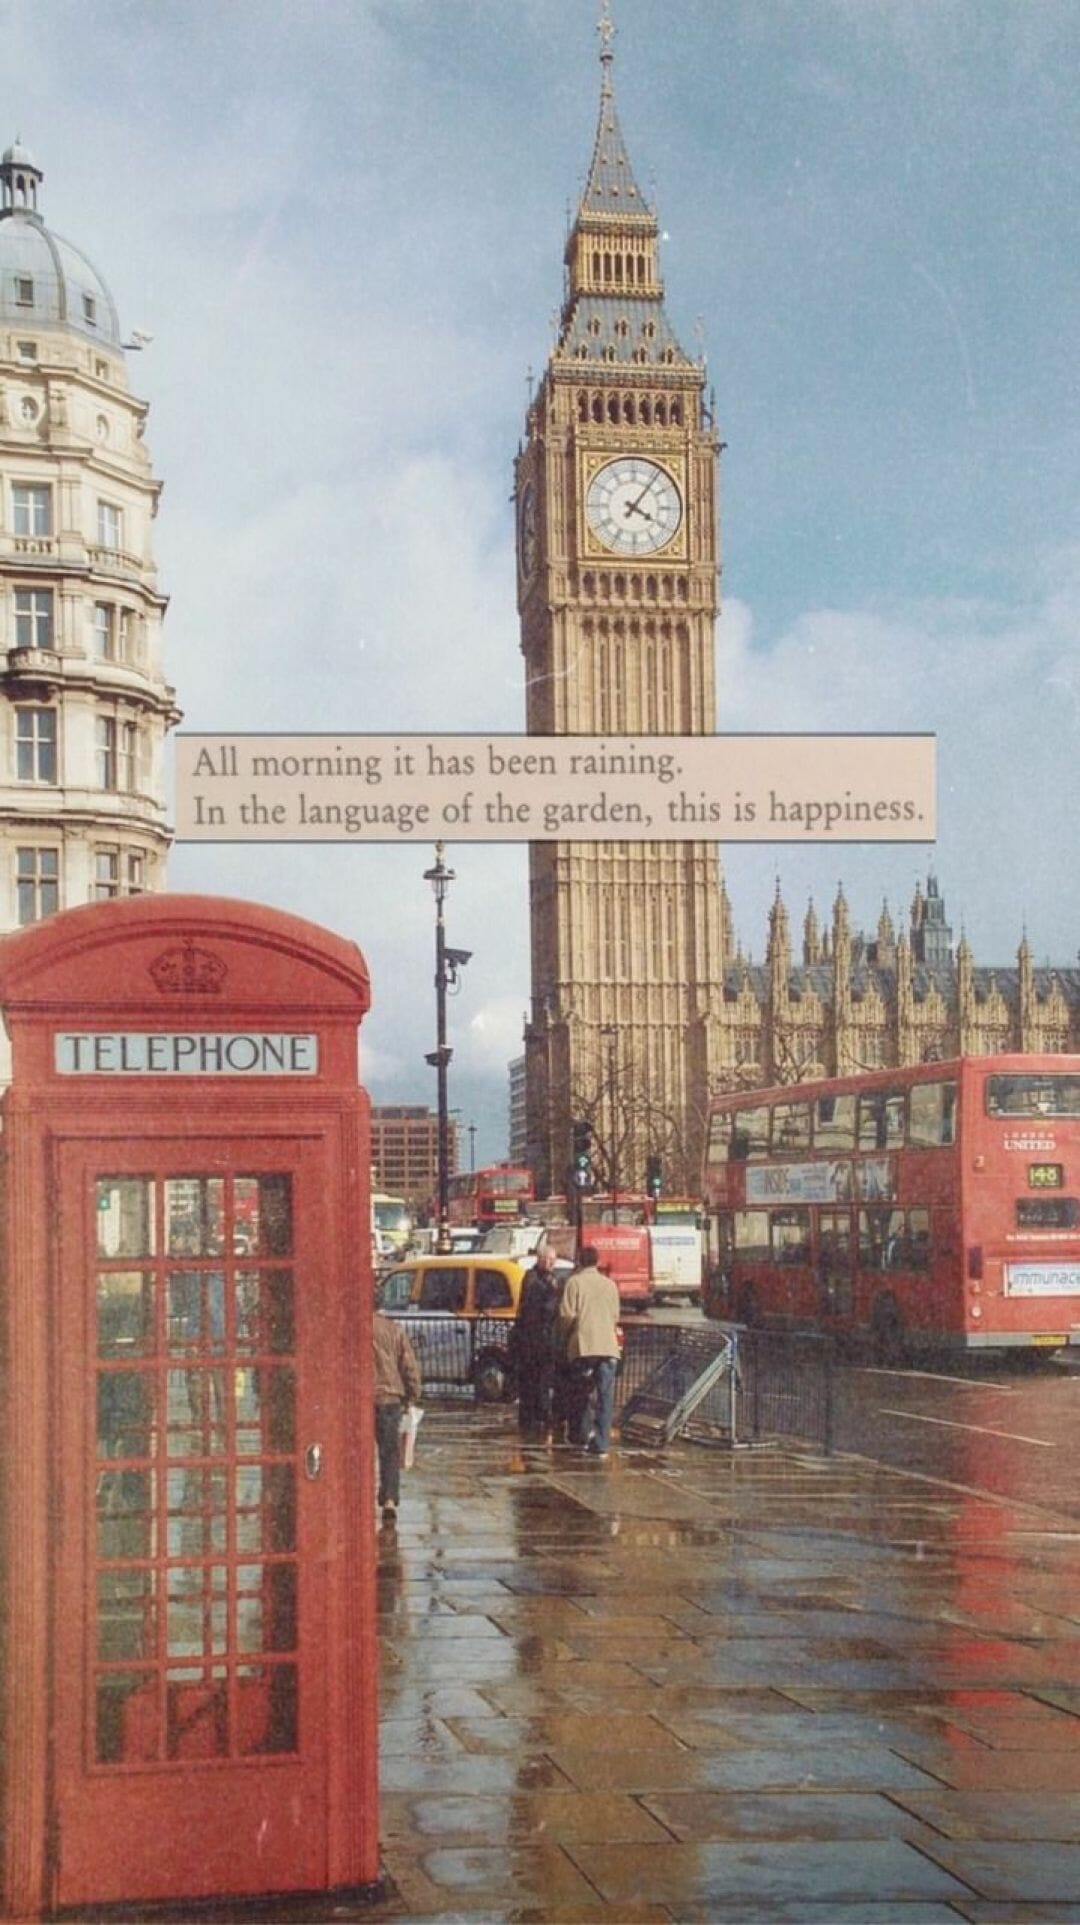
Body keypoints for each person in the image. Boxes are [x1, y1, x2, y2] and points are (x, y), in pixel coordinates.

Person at [558, 1245, 621, 1457]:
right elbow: (615, 1316)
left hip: (583, 1346)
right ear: (596, 1261)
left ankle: (582, 1436)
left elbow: (567, 1315)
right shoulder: (610, 1284)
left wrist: (563, 1337)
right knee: (605, 1397)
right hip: (608, 1347)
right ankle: (602, 1443)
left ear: (579, 1261)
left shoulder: (574, 1283)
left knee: (581, 1393)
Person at [510, 1242, 563, 1439]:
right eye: (546, 1259)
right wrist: (553, 1294)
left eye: (552, 1260)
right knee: (534, 1382)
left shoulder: (548, 1279)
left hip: (541, 1340)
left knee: (539, 1382)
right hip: (533, 1342)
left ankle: (536, 1418)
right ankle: (534, 1420)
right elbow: (543, 1308)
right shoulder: (533, 1279)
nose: (550, 1263)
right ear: (539, 1260)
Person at [373, 1311, 421, 1522]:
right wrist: (412, 1395)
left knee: (355, 1453)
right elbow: (408, 1366)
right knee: (390, 1451)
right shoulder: (394, 1329)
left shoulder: (351, 1327)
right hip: (390, 1398)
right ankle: (390, 1499)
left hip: (358, 1398)